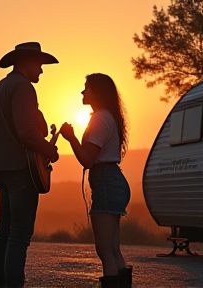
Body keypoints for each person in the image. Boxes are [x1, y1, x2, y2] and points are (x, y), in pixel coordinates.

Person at [0, 42, 59, 288]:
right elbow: (27, 134)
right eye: (39, 65)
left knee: (5, 230)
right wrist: (50, 151)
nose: (41, 71)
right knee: (19, 235)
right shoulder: (23, 88)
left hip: (0, 169)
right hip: (19, 170)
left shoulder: (0, 87)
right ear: (27, 62)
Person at [60, 73, 131, 288]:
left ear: (97, 91)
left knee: (104, 250)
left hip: (106, 183)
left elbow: (88, 160)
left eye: (86, 87)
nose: (83, 91)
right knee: (113, 248)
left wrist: (71, 137)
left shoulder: (100, 118)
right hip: (113, 181)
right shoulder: (109, 116)